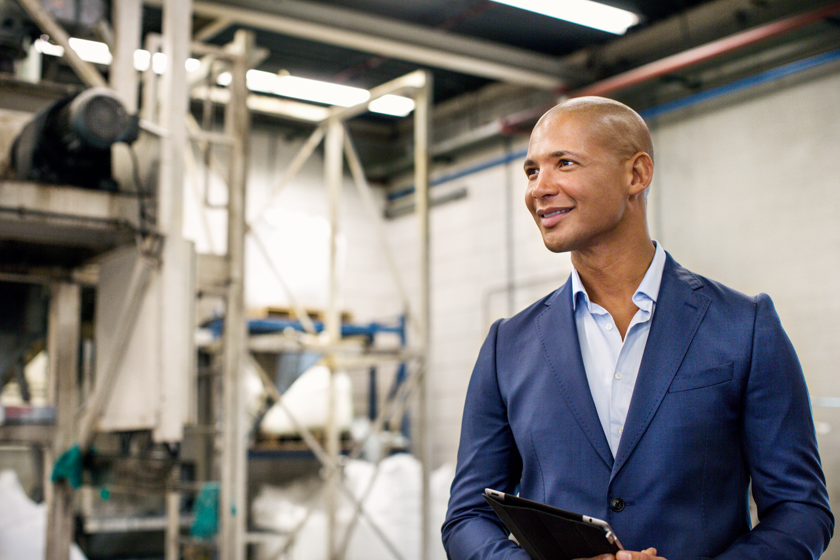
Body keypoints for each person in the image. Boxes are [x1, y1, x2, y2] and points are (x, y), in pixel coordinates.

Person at [441, 96, 833, 560]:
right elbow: (467, 517)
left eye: (564, 163)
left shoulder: (744, 326)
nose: (538, 189)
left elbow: (800, 509)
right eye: (531, 171)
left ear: (637, 174)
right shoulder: (507, 345)